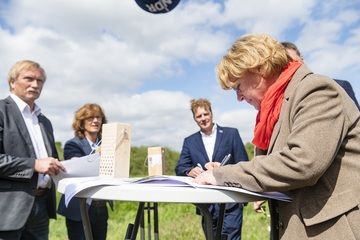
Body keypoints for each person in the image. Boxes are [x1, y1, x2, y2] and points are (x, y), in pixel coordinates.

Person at [194, 33, 360, 240]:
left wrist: (223, 175)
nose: (239, 97)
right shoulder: (274, 110)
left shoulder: (315, 89)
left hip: (331, 230)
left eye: (238, 87)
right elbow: (273, 164)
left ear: (260, 68)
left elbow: (303, 163)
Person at [0, 60, 66, 239]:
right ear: (12, 82)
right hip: (7, 209)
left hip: (41, 206)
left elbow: (49, 161)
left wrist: (67, 165)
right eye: (29, 78)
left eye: (40, 81)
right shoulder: (0, 111)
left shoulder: (45, 121)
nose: (35, 84)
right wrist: (34, 165)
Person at [175, 98, 249, 240]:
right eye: (199, 116)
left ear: (211, 113)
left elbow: (243, 164)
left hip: (231, 202)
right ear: (194, 119)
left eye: (206, 114)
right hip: (206, 205)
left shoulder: (231, 134)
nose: (203, 118)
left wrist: (224, 170)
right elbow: (180, 167)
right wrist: (188, 171)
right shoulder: (189, 141)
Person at [57, 103, 111, 240]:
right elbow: (79, 169)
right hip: (78, 208)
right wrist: (98, 155)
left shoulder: (108, 144)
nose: (95, 121)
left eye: (98, 117)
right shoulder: (73, 144)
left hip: (100, 206)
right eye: (90, 118)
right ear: (81, 122)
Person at [281, 41, 360, 109]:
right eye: (286, 67)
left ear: (302, 59)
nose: (292, 69)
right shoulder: (283, 105)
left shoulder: (341, 86)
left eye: (295, 62)